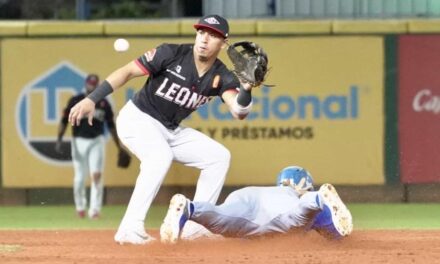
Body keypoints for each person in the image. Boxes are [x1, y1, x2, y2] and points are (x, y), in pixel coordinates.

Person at [67, 14, 257, 244]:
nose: (205, 39)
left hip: (170, 129)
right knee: (159, 157)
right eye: (201, 32)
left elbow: (239, 111)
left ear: (223, 43)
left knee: (218, 157)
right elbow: (127, 72)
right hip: (137, 118)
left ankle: (194, 228)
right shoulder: (171, 53)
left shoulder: (221, 74)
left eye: (213, 35)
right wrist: (92, 99)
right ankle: (129, 229)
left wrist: (246, 89)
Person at [160, 166, 353, 243]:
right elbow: (337, 235)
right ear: (305, 185)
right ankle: (319, 199)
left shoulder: (272, 190)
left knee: (222, 217)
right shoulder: (296, 196)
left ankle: (189, 208)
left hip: (246, 195)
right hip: (277, 211)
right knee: (296, 217)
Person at [56, 74, 125, 219]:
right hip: (78, 141)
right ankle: (80, 207)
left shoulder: (104, 103)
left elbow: (111, 126)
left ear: (97, 85)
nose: (92, 86)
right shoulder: (75, 100)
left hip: (97, 141)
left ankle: (94, 210)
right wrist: (59, 139)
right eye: (90, 83)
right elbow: (64, 121)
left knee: (96, 175)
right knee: (80, 177)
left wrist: (119, 146)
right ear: (86, 84)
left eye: (94, 84)